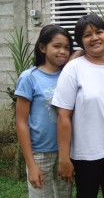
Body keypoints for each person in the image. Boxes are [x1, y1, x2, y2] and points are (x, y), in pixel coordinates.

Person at [51, 14, 104, 198]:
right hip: (85, 154)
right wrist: (64, 158)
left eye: (99, 32)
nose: (94, 38)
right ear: (81, 41)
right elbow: (63, 116)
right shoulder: (74, 68)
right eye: (87, 35)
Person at [15, 24, 73, 198]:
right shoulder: (29, 77)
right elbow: (21, 122)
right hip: (39, 153)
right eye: (57, 46)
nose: (63, 51)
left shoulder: (69, 74)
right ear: (42, 47)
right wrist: (31, 164)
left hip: (66, 151)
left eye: (67, 48)